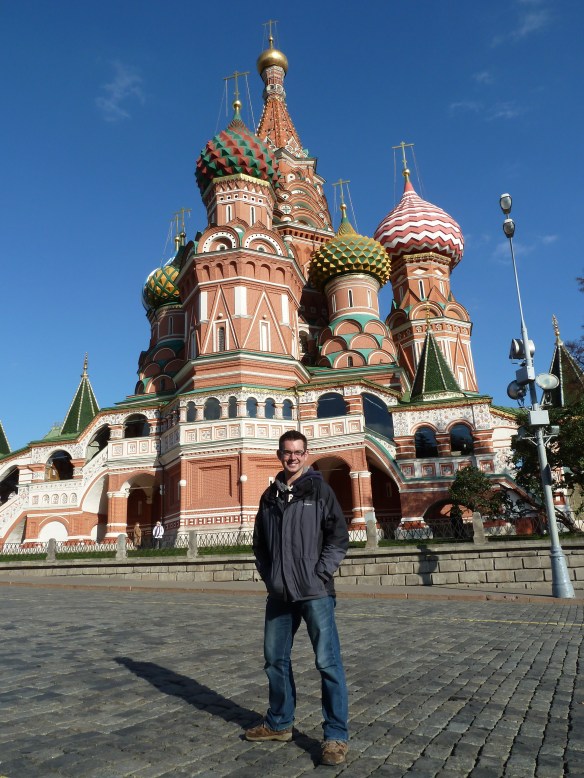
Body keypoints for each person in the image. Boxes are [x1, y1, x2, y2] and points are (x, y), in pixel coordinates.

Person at [245, 430, 350, 766]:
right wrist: (270, 576)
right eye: (287, 452)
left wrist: (321, 572)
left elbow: (338, 536)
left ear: (306, 455)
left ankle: (335, 736)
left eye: (298, 452)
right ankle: (279, 723)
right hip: (280, 594)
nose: (292, 457)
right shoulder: (268, 496)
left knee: (327, 663)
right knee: (274, 660)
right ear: (280, 454)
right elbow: (259, 544)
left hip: (315, 591)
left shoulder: (319, 490)